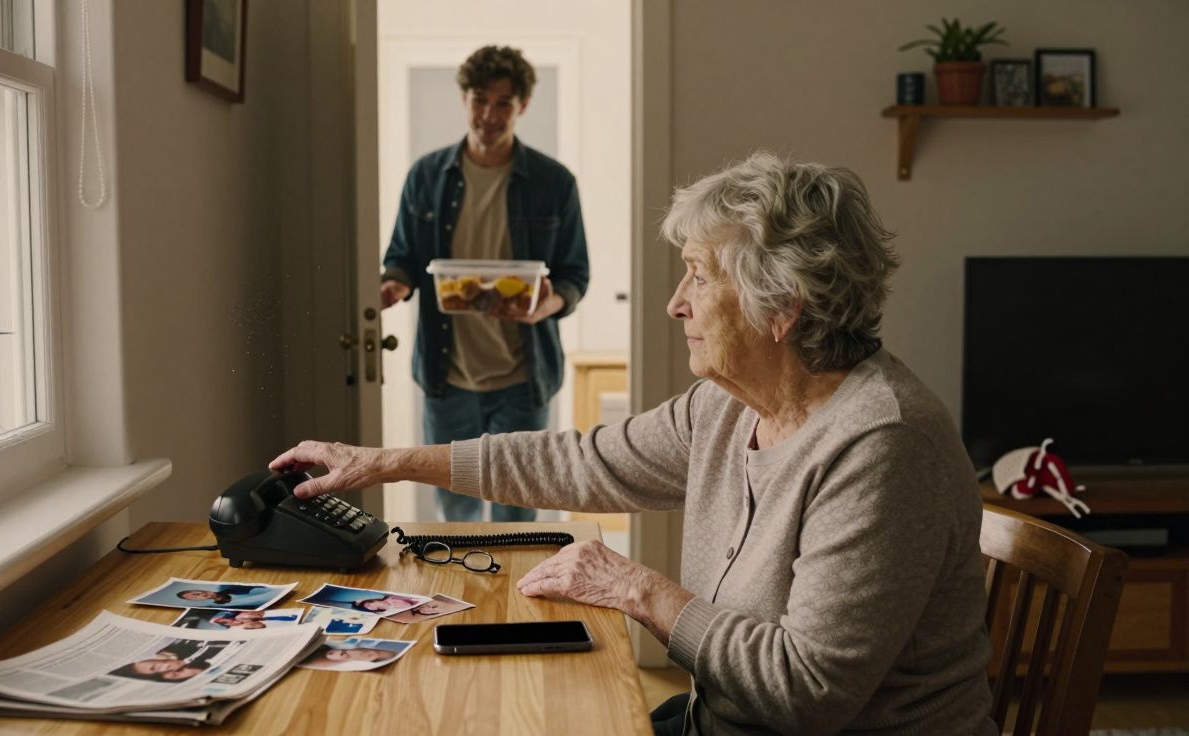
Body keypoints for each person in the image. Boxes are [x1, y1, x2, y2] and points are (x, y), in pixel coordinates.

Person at [272, 151, 995, 734]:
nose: (677, 303)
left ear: (782, 308)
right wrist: (386, 462)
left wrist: (638, 588)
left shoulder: (883, 445)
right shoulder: (724, 408)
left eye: (698, 277)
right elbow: (582, 462)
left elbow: (806, 690)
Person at [380, 44, 590, 523]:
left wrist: (546, 304)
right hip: (446, 378)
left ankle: (513, 601)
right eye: (479, 100)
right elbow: (402, 259)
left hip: (522, 377)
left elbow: (575, 274)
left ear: (522, 106)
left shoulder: (554, 182)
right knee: (455, 515)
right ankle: (462, 600)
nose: (489, 115)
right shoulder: (426, 177)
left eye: (503, 103)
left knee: (517, 516)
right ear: (464, 99)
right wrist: (395, 286)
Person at [350, 594, 424, 614]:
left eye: (369, 604)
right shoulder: (387, 611)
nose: (372, 606)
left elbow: (416, 599)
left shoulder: (392, 598)